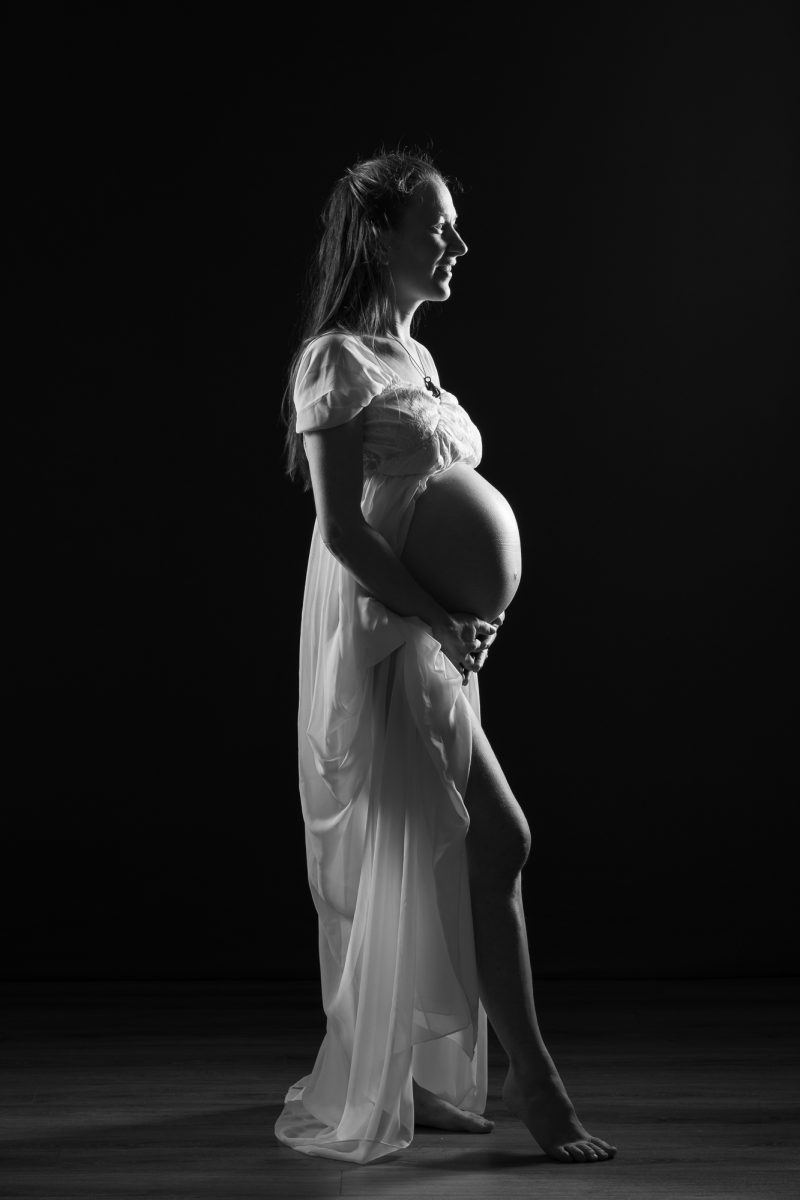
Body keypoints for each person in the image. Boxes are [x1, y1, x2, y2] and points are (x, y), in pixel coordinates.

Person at [273, 148, 618, 1166]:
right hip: (388, 640)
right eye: (436, 228)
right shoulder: (332, 359)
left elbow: (426, 508)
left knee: (470, 845)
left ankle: (462, 1075)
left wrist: (471, 614)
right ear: (379, 234)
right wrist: (435, 615)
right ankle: (536, 1084)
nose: (455, 245)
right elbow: (345, 531)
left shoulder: (413, 361)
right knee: (495, 839)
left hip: (434, 641)